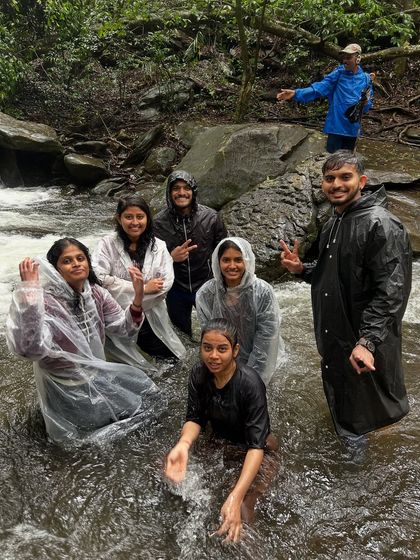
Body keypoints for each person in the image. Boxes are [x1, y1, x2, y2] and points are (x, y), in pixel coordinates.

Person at [280, 150, 412, 439]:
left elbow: (392, 291)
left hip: (362, 339)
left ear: (362, 181)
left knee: (369, 414)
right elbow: (332, 275)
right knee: (347, 406)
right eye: (329, 178)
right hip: (337, 335)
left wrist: (367, 341)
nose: (336, 184)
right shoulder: (333, 223)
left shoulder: (381, 225)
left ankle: (365, 467)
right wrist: (302, 269)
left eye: (345, 177)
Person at [6, 238, 160, 443]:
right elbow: (30, 350)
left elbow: (124, 329)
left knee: (146, 405)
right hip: (63, 383)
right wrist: (30, 295)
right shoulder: (47, 302)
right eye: (67, 261)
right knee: (79, 441)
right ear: (56, 270)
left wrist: (138, 298)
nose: (77, 263)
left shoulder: (96, 293)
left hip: (94, 373)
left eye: (80, 258)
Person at [165, 318, 278, 543]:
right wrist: (183, 445)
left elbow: (257, 447)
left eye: (222, 349)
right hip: (219, 442)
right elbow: (194, 418)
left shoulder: (250, 384)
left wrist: (236, 497)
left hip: (257, 451)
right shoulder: (198, 374)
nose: (213, 356)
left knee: (243, 508)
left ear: (235, 350)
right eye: (207, 348)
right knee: (166, 475)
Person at [93, 194, 185, 360]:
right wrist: (142, 289)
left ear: (147, 219)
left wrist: (139, 297)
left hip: (152, 314)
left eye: (140, 217)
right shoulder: (106, 244)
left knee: (168, 358)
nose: (135, 222)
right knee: (123, 362)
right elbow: (99, 280)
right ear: (118, 218)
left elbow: (164, 285)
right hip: (116, 315)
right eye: (128, 217)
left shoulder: (159, 246)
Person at [196, 237, 285, 386]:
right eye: (226, 260)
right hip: (223, 356)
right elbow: (209, 336)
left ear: (247, 261)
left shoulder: (262, 292)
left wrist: (252, 377)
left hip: (261, 355)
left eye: (238, 260)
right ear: (218, 262)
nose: (232, 266)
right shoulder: (207, 293)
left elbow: (266, 338)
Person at [154, 170, 227, 336]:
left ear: (193, 190)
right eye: (176, 189)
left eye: (186, 188)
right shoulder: (158, 223)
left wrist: (226, 286)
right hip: (175, 289)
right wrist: (170, 258)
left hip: (206, 284)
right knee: (181, 337)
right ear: (169, 192)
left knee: (215, 332)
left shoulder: (212, 217)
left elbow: (224, 252)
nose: (181, 193)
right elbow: (150, 262)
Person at [276, 43, 373, 153]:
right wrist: (296, 93)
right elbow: (319, 88)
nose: (345, 61)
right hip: (336, 127)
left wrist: (366, 103)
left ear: (358, 58)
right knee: (331, 162)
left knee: (347, 162)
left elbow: (366, 107)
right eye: (343, 58)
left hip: (352, 129)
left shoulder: (366, 79)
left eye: (348, 57)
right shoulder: (338, 74)